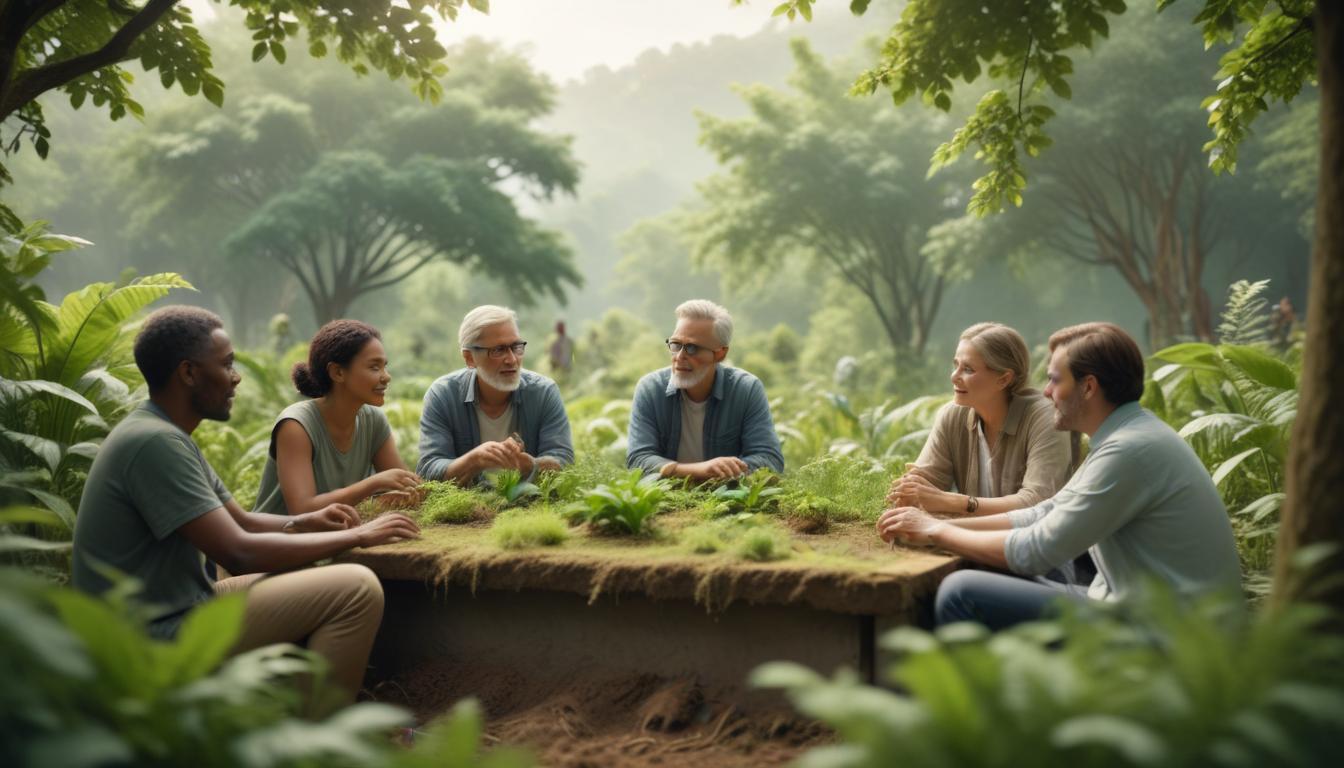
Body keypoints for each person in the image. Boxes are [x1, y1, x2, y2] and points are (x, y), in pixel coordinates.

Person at [72, 307, 421, 705]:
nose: (236, 377)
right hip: (150, 633)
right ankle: (314, 742)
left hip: (186, 602)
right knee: (356, 590)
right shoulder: (155, 443)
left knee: (308, 575)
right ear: (188, 373)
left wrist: (308, 521)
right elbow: (237, 552)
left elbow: (240, 520)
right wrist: (359, 534)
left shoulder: (164, 433)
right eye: (226, 365)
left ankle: (283, 707)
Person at [877, 322, 1242, 630]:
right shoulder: (1127, 437)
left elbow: (1038, 550)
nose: (1046, 392)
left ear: (1088, 387)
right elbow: (1044, 512)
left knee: (961, 592)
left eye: (1054, 380)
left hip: (1164, 633)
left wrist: (939, 530)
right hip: (1128, 607)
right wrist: (927, 524)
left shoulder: (1128, 451)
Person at [889, 322, 1075, 519]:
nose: (954, 376)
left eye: (968, 369)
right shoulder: (952, 415)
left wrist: (952, 502)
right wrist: (909, 495)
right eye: (956, 365)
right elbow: (924, 483)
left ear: (1003, 379)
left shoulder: (1045, 419)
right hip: (976, 535)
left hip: (1033, 541)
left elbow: (1037, 502)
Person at [252, 319, 421, 516]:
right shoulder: (296, 426)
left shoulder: (373, 421)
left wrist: (412, 492)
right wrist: (373, 484)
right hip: (277, 542)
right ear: (338, 372)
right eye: (375, 368)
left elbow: (408, 488)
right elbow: (302, 509)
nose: (386, 376)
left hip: (338, 536)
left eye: (385, 366)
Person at [627, 299, 784, 480]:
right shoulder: (650, 389)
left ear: (720, 354)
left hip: (728, 501)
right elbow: (638, 460)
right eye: (676, 344)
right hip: (667, 501)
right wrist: (700, 471)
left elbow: (770, 460)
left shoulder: (746, 390)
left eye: (692, 348)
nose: (679, 357)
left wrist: (721, 474)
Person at [417, 305, 574, 484]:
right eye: (498, 350)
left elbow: (564, 460)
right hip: (468, 509)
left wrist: (530, 465)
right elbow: (428, 468)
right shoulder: (443, 395)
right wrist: (473, 460)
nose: (512, 359)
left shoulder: (544, 392)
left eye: (516, 347)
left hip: (531, 507)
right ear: (469, 358)